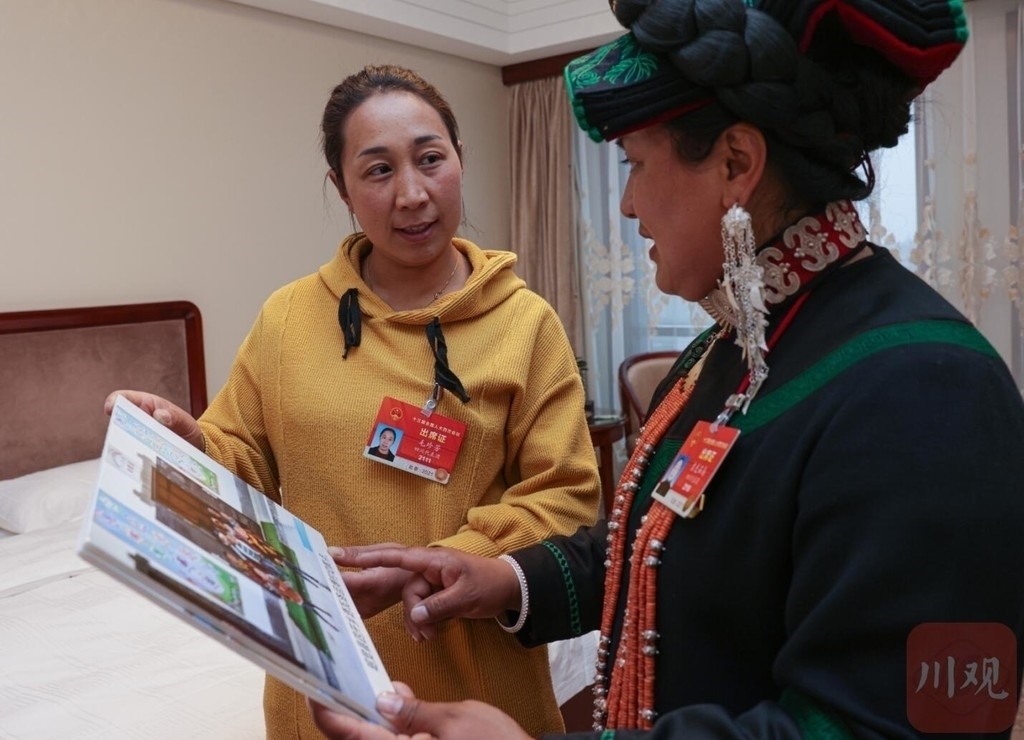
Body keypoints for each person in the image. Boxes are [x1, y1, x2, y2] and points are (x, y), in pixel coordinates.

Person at [311, 0, 1024, 737]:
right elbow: (660, 545)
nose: (626, 203)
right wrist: (503, 578)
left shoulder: (932, 391)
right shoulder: (733, 343)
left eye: (636, 163)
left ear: (736, 164)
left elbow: (912, 723)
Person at [105, 64, 602, 739]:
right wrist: (191, 442)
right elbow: (242, 460)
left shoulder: (525, 323)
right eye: (378, 171)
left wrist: (438, 563)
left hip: (475, 689)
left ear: (460, 158)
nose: (412, 194)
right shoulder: (289, 317)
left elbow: (564, 496)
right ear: (341, 188)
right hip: (320, 683)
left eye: (431, 159)